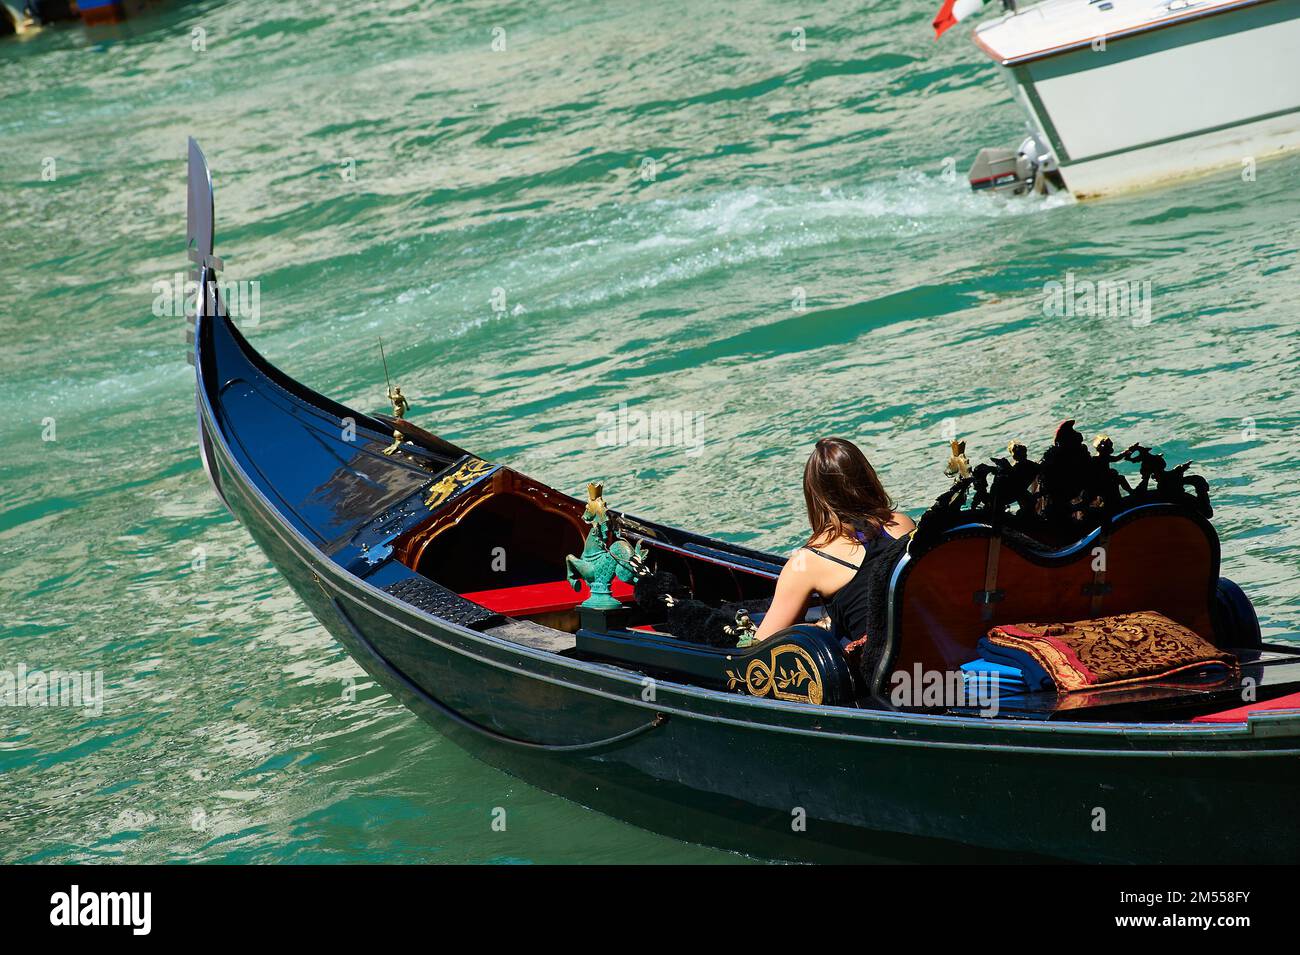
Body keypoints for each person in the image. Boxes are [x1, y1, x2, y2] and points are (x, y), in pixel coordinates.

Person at [752, 437, 914, 645]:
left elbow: (761, 645)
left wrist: (808, 631)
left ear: (815, 495)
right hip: (937, 648)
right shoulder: (902, 523)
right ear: (868, 477)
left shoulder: (806, 563)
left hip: (882, 669)